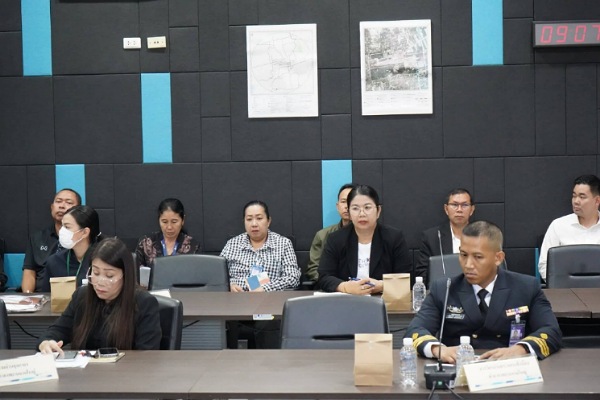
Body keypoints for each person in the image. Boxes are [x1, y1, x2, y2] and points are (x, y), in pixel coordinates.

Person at [405, 221, 561, 362]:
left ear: (498, 258)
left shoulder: (526, 287)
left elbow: (551, 330)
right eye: (463, 255)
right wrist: (438, 349)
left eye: (478, 257)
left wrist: (520, 350)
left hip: (508, 369)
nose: (468, 264)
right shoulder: (444, 289)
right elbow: (415, 330)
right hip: (458, 368)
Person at [38, 238, 161, 354]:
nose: (100, 282)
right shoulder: (81, 296)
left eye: (109, 276)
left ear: (125, 276)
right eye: (96, 273)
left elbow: (147, 355)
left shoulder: (144, 303)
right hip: (86, 368)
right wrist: (47, 342)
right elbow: (58, 330)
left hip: (126, 369)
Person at [318, 184, 412, 294]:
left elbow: (406, 278)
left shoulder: (394, 238)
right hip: (347, 299)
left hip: (382, 299)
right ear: (349, 212)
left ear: (378, 211)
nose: (362, 214)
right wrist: (345, 287)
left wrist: (382, 285)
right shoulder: (336, 239)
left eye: (367, 208)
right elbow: (324, 277)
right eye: (355, 208)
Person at [221, 200, 301, 291]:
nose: (254, 224)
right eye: (249, 219)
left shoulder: (283, 244)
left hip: (269, 297)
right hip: (236, 297)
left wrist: (265, 288)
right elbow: (216, 275)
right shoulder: (232, 244)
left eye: (259, 218)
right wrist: (229, 286)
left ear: (268, 221)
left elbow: (292, 278)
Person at [538, 174, 600, 280]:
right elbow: (545, 265)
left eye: (582, 197)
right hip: (566, 289)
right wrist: (560, 285)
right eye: (574, 196)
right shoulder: (558, 226)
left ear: (597, 201)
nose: (576, 201)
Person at [21, 188, 81, 293]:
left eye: (68, 202)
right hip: (41, 295)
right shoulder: (37, 238)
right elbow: (29, 273)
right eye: (58, 201)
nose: (62, 206)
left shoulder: (83, 238)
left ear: (79, 210)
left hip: (74, 295)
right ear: (52, 207)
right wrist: (28, 297)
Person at [414, 188, 475, 283]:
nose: (459, 210)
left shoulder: (483, 236)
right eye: (455, 205)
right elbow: (423, 274)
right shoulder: (432, 237)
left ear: (472, 210)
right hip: (444, 288)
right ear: (446, 209)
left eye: (464, 205)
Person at [41, 205, 103, 292]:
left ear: (85, 232)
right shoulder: (54, 262)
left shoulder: (104, 260)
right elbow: (47, 296)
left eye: (67, 227)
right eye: (62, 226)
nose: (62, 231)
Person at [305, 183, 355, 283]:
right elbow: (313, 269)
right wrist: (333, 283)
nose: (347, 206)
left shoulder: (368, 234)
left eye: (351, 201)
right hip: (331, 287)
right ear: (337, 206)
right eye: (343, 201)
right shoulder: (323, 235)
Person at [135, 198, 201, 269]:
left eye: (174, 222)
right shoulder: (146, 243)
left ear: (182, 220)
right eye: (164, 222)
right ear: (159, 220)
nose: (169, 227)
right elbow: (135, 271)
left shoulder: (193, 246)